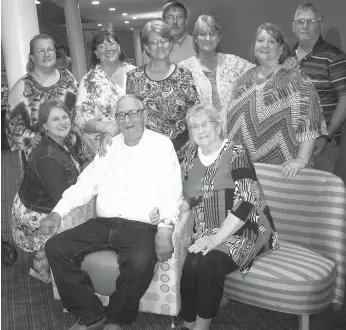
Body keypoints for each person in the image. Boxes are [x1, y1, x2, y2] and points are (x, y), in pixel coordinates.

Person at [42, 95, 182, 330]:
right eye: (121, 115)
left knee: (140, 262)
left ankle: (117, 318)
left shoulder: (161, 145)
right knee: (56, 247)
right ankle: (91, 315)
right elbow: (85, 185)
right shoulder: (109, 146)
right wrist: (57, 213)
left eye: (133, 113)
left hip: (140, 226)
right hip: (104, 223)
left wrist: (166, 227)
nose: (127, 120)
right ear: (116, 120)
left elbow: (172, 189)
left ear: (144, 115)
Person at [180, 103, 279, 330]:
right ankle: (188, 322)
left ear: (218, 125)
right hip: (206, 230)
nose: (201, 130)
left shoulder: (236, 152)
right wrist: (169, 212)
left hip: (244, 229)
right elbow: (188, 200)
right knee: (192, 263)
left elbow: (245, 203)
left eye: (205, 123)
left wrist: (217, 239)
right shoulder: (191, 157)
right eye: (194, 126)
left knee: (210, 263)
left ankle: (201, 326)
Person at [227, 23, 327, 179]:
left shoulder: (296, 80)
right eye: (260, 40)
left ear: (281, 49)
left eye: (271, 41)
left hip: (283, 172)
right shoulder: (244, 79)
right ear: (254, 46)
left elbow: (309, 120)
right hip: (243, 170)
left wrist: (301, 160)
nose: (265, 45)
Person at [12, 100, 84, 283]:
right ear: (44, 126)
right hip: (35, 214)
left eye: (64, 117)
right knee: (77, 219)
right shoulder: (48, 156)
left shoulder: (62, 140)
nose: (62, 122)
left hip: (39, 202)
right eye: (55, 119)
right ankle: (39, 263)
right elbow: (62, 198)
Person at [291, 3, 346, 173]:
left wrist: (325, 136)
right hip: (287, 144)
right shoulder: (285, 57)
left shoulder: (334, 57)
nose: (304, 25)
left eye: (310, 21)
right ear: (293, 26)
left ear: (320, 26)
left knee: (316, 197)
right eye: (300, 21)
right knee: (288, 197)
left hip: (319, 146)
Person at [126, 20, 199, 160]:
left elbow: (193, 114)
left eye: (164, 40)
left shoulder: (185, 75)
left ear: (171, 44)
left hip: (180, 152)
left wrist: (193, 146)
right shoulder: (134, 77)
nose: (159, 45)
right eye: (153, 42)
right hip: (146, 152)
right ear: (146, 47)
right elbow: (130, 116)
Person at [5, 34, 80, 164]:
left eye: (50, 49)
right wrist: (31, 138)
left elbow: (80, 108)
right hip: (42, 158)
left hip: (74, 150)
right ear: (32, 57)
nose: (47, 54)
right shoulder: (22, 87)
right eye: (41, 51)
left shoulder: (67, 76)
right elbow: (12, 127)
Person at [179, 15, 255, 135]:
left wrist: (285, 62)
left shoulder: (233, 62)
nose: (208, 38)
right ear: (195, 39)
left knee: (235, 154)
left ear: (218, 38)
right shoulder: (183, 69)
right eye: (202, 34)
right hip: (202, 136)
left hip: (235, 133)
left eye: (212, 34)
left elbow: (260, 72)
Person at [75, 29, 136, 159]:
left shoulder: (135, 73)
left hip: (137, 143)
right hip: (107, 150)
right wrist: (106, 127)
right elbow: (81, 120)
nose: (108, 49)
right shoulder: (89, 82)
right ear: (96, 53)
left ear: (119, 47)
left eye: (112, 43)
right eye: (102, 46)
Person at [142, 1, 195, 65]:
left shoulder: (197, 45)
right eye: (170, 17)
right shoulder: (152, 48)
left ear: (185, 21)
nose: (175, 22)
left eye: (180, 17)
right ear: (163, 21)